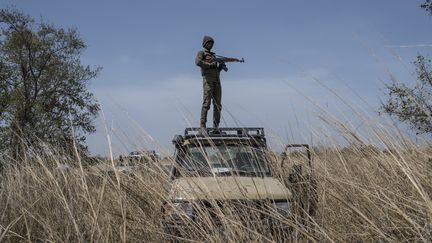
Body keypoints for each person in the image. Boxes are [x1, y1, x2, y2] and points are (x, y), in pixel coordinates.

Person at [195, 36, 222, 135]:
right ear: (205, 44)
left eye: (212, 43)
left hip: (217, 81)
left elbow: (215, 69)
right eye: (209, 43)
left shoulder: (214, 56)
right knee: (206, 104)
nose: (211, 45)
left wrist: (220, 67)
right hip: (208, 81)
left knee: (218, 105)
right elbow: (197, 62)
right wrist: (210, 65)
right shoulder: (201, 53)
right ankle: (202, 126)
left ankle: (216, 127)